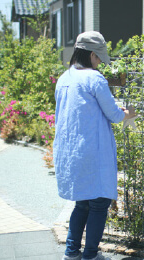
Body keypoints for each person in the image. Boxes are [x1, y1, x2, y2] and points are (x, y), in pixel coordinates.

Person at [54, 31, 134, 260]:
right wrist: (129, 113)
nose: (99, 63)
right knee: (99, 203)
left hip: (71, 151)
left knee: (82, 204)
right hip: (92, 151)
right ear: (91, 54)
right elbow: (114, 115)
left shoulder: (64, 78)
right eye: (98, 58)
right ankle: (90, 255)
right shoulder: (94, 79)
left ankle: (71, 253)